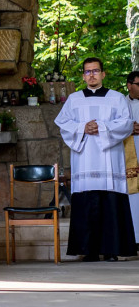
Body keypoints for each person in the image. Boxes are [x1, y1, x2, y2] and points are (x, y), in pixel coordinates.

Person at [56, 57, 136, 261]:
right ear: (83, 76)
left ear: (103, 74)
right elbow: (63, 123)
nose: (91, 75)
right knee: (86, 202)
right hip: (84, 158)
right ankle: (88, 251)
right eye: (87, 71)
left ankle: (111, 251)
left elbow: (126, 124)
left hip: (110, 160)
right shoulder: (73, 99)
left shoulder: (117, 98)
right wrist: (82, 127)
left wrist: (100, 127)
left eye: (95, 71)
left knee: (110, 203)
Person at [125, 71, 139, 248]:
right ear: (129, 85)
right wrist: (128, 128)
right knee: (133, 197)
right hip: (128, 154)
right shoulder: (120, 103)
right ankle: (134, 237)